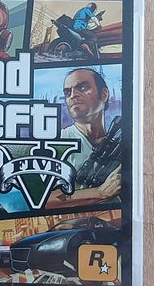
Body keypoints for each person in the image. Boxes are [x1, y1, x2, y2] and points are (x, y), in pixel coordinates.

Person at [47, 68, 121, 206]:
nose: (73, 95)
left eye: (82, 87)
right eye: (67, 92)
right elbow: (43, 200)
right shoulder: (59, 142)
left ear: (104, 94)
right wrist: (99, 193)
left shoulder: (118, 142)